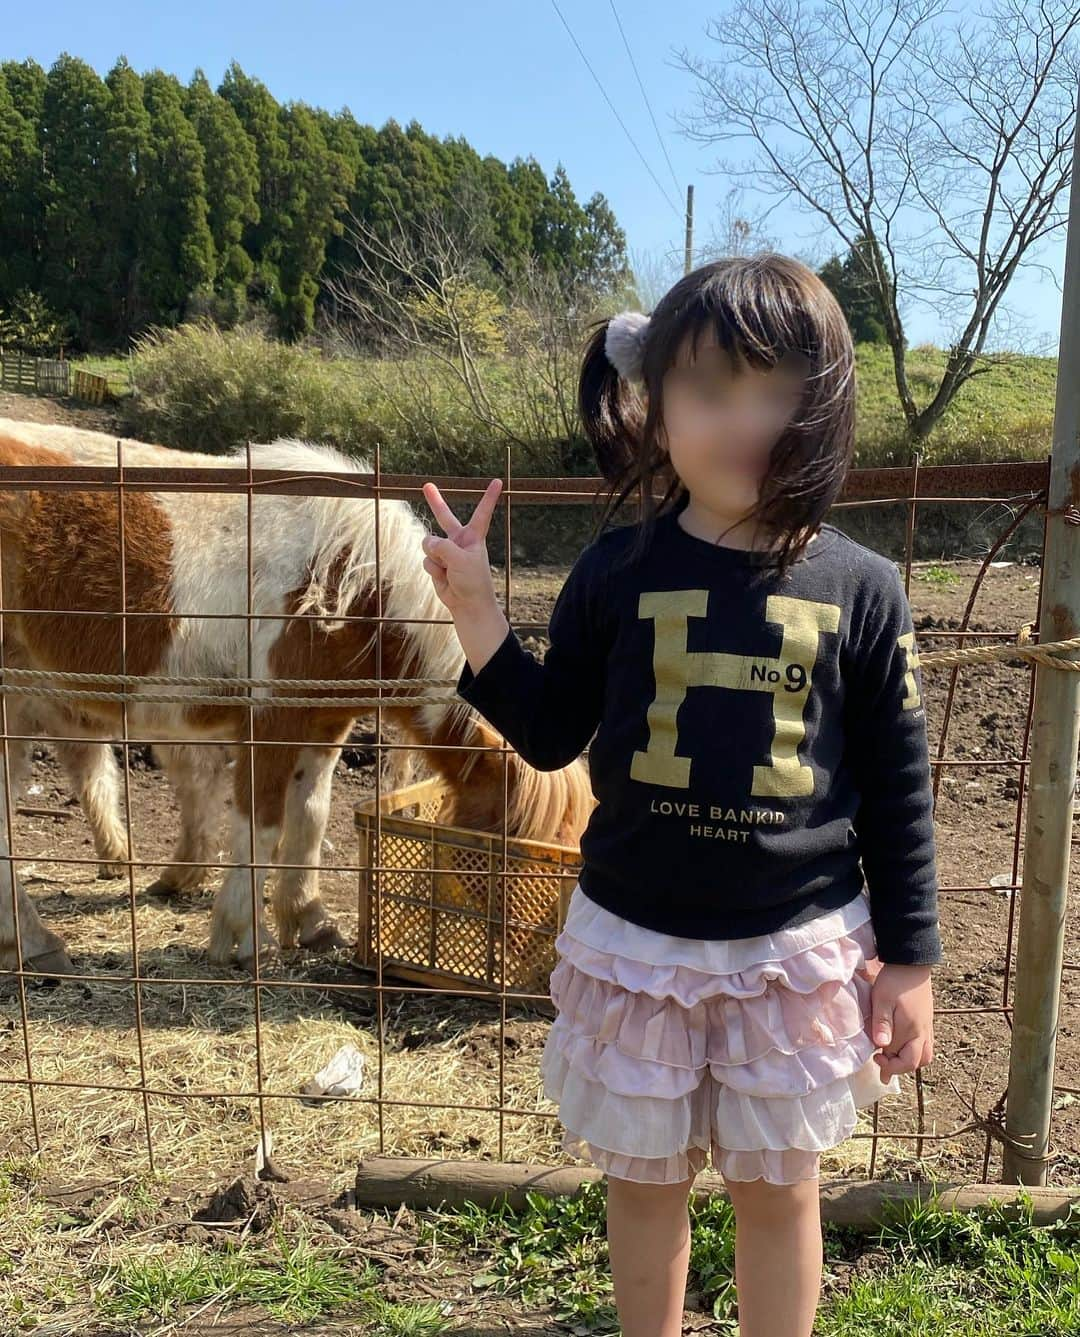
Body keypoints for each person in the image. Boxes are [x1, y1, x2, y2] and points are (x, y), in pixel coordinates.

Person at [419, 254, 941, 1337]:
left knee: (778, 1189)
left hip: (790, 955)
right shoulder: (615, 569)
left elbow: (898, 789)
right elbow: (553, 730)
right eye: (709, 389)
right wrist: (475, 610)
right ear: (655, 410)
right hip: (636, 942)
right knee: (642, 1186)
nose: (745, 418)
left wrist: (913, 961)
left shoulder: (864, 587)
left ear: (828, 405)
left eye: (779, 389)